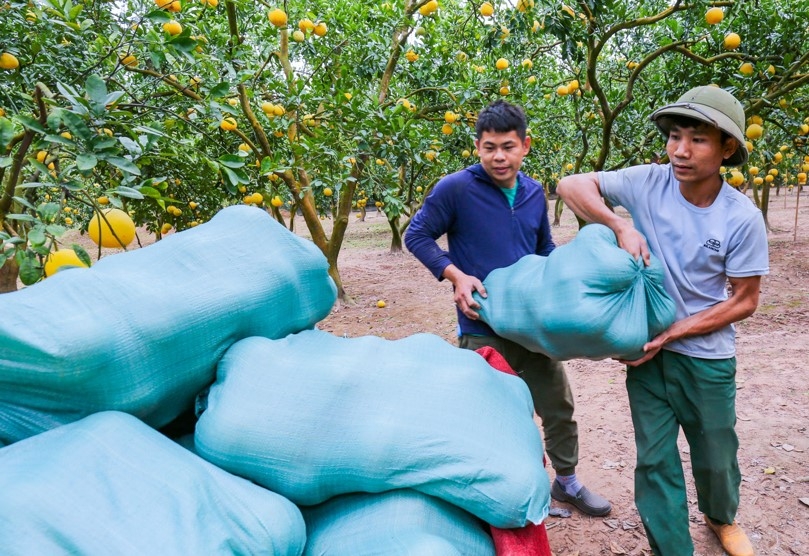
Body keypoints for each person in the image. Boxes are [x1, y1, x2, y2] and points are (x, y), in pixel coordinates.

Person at [556, 86, 768, 556]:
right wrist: (621, 225)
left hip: (706, 357)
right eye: (675, 136)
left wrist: (675, 330)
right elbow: (571, 185)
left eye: (698, 139)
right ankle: (672, 548)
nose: (680, 150)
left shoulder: (741, 218)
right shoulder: (648, 182)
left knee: (715, 454)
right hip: (647, 356)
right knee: (654, 460)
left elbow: (745, 300)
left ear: (727, 148)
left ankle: (720, 517)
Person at [405, 99, 612, 517]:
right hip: (482, 322)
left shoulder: (535, 193)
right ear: (477, 148)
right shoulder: (457, 189)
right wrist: (456, 275)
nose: (499, 156)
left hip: (533, 324)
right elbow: (417, 235)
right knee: (488, 414)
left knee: (557, 405)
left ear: (525, 146)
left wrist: (562, 280)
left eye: (508, 146)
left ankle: (566, 482)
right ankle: (493, 496)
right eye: (489, 147)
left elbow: (543, 250)